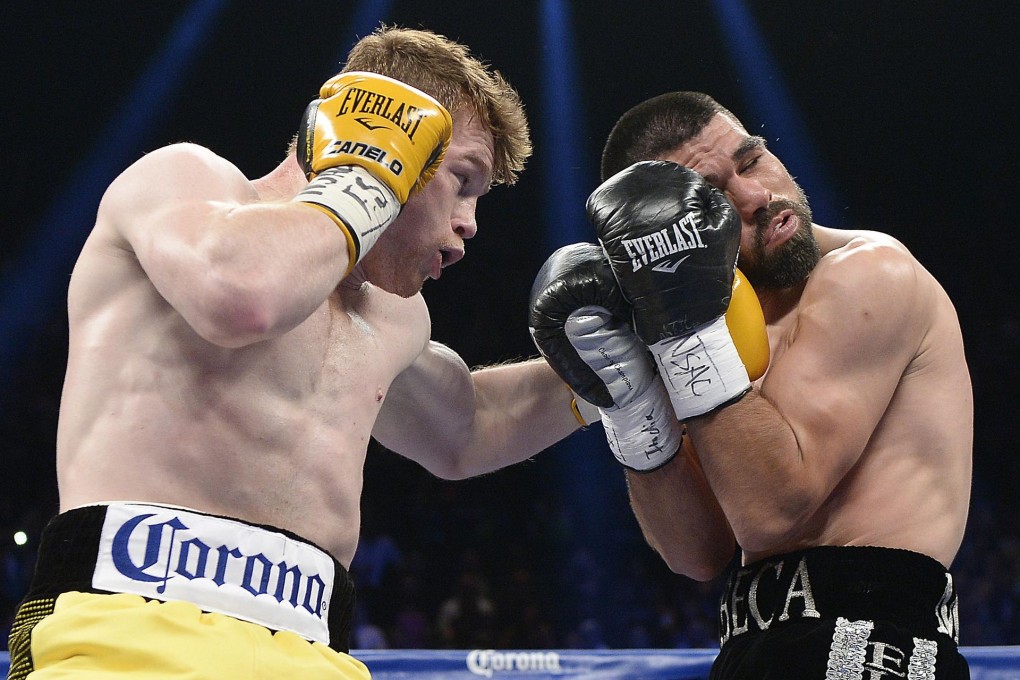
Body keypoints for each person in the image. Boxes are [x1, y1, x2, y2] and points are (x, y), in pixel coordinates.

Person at [6, 26, 585, 680]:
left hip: (313, 654)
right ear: (391, 136)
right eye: (463, 180)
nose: (469, 224)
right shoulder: (184, 184)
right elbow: (241, 296)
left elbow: (469, 426)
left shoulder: (396, 317)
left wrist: (603, 368)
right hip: (130, 632)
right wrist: (362, 181)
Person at [530, 91, 973, 678]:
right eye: (713, 196)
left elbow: (771, 511)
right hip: (748, 648)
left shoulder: (870, 271)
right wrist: (633, 408)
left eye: (752, 159)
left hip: (869, 647)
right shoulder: (706, 332)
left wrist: (685, 336)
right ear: (666, 236)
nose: (759, 196)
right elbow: (697, 553)